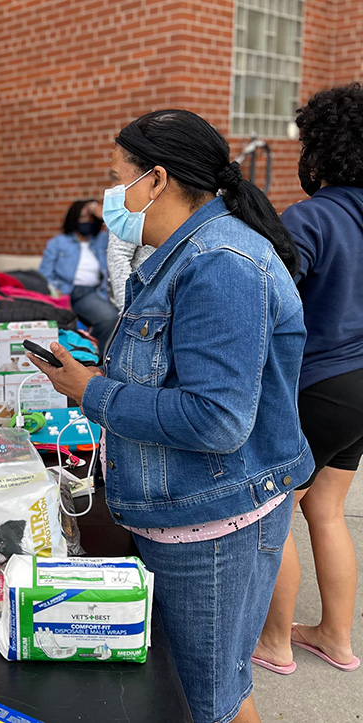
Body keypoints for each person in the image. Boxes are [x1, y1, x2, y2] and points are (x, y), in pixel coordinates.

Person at [28, 109, 313, 723]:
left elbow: (216, 419)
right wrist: (98, 376)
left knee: (210, 699)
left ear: (156, 181)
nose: (110, 195)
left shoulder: (220, 263)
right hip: (185, 512)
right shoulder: (184, 255)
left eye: (116, 177)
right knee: (206, 691)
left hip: (211, 523)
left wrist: (94, 395)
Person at [253, 83, 363, 675]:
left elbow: (265, 297)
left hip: (320, 384)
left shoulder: (314, 216)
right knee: (326, 508)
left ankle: (274, 643)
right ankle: (335, 638)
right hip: (362, 392)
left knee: (272, 510)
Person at [38, 199, 119, 352]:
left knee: (112, 317)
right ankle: (88, 352)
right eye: (82, 217)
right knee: (107, 317)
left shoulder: (102, 240)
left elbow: (119, 232)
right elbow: (45, 273)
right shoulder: (58, 243)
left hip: (92, 292)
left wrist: (100, 212)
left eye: (89, 218)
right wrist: (55, 291)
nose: (86, 222)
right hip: (65, 291)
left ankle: (94, 354)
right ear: (74, 218)